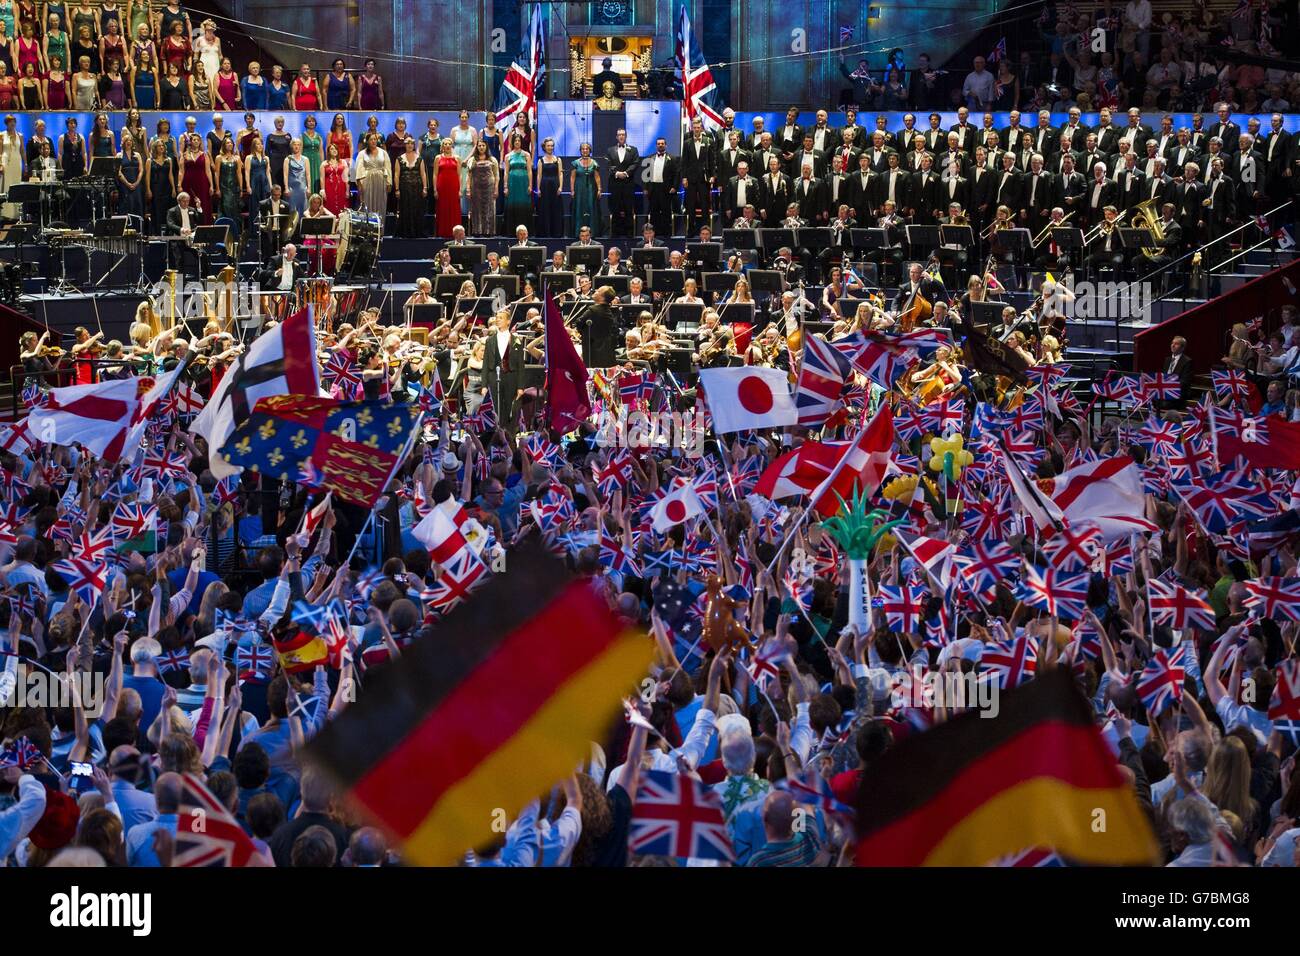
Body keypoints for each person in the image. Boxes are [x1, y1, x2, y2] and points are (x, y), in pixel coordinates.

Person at [394, 135, 427, 238]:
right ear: (405, 145)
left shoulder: (420, 158)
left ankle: (417, 231)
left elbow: (423, 174)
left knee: (417, 209)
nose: (410, 145)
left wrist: (425, 188)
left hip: (417, 188)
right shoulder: (399, 158)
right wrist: (397, 189)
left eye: (411, 143)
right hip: (404, 188)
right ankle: (406, 232)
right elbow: (396, 174)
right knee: (405, 209)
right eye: (407, 143)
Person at [502, 131, 532, 235]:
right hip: (512, 183)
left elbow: (529, 171)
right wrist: (505, 186)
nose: (517, 142)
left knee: (524, 206)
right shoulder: (508, 156)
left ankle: (525, 232)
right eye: (515, 140)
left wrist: (530, 185)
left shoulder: (526, 155)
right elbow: (506, 172)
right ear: (513, 142)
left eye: (519, 140)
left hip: (523, 183)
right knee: (512, 205)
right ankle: (511, 231)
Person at [356, 132, 391, 219]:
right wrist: (360, 183)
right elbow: (359, 168)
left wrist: (389, 182)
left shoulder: (383, 152)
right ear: (367, 141)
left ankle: (380, 228)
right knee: (367, 203)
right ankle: (368, 228)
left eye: (375, 139)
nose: (373, 141)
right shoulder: (362, 153)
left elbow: (388, 167)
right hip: (367, 180)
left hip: (381, 180)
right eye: (371, 139)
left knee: (381, 203)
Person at [467, 138, 498, 238]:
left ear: (486, 147)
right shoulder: (472, 160)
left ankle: (489, 231)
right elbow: (469, 176)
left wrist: (496, 188)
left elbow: (497, 175)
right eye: (479, 145)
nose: (481, 147)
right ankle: (477, 231)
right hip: (476, 188)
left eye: (483, 145)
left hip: (489, 188)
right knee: (476, 209)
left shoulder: (492, 159)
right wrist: (468, 189)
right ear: (477, 147)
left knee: (489, 209)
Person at [570, 141, 601, 238]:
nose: (585, 150)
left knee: (591, 208)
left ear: (590, 150)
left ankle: (591, 233)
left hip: (591, 190)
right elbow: (572, 177)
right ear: (580, 151)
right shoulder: (575, 163)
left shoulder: (594, 163)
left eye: (587, 149)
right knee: (579, 208)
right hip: (579, 189)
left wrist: (599, 189)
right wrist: (572, 190)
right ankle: (578, 233)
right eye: (583, 149)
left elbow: (597, 177)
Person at [432, 135, 461, 239]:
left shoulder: (457, 158)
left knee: (454, 209)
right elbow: (435, 174)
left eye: (449, 144)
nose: (447, 146)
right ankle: (442, 232)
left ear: (452, 146)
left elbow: (459, 175)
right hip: (442, 186)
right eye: (445, 144)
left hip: (453, 186)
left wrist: (460, 189)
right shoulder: (438, 158)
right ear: (442, 146)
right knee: (442, 208)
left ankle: (455, 233)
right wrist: (435, 189)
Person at [535, 137, 562, 238]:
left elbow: (560, 174)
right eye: (548, 146)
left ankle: (556, 232)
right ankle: (545, 232)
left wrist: (560, 187)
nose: (550, 147)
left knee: (555, 208)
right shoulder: (541, 160)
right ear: (544, 147)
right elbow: (539, 175)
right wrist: (538, 189)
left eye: (552, 145)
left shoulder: (558, 159)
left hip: (555, 186)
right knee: (545, 209)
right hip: (544, 186)